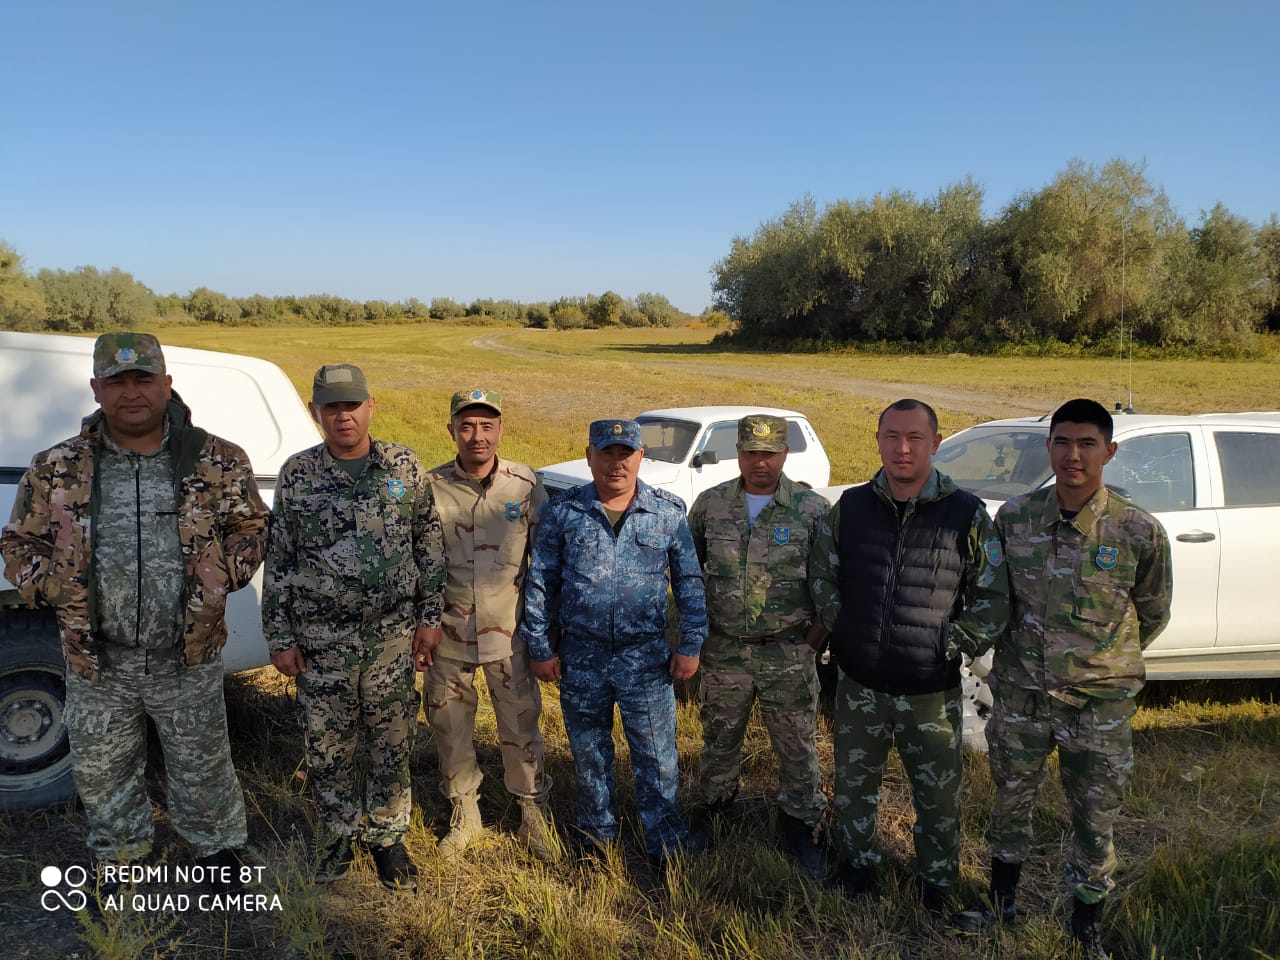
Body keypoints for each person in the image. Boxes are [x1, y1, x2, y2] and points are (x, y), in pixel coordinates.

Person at [0, 333, 267, 883]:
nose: (131, 393)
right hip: (99, 660)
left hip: (185, 655)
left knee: (203, 764)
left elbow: (252, 528)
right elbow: (17, 545)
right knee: (105, 769)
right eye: (116, 382)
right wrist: (58, 589)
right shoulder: (57, 467)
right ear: (97, 389)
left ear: (166, 385)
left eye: (143, 379)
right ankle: (121, 857)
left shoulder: (218, 459)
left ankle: (215, 849)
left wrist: (221, 577)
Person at [965, 398, 1172, 957]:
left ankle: (1086, 921)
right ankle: (1001, 901)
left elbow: (1152, 611)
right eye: (1062, 442)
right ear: (1049, 446)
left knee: (1093, 813)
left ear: (1109, 451)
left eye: (1086, 444)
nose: (1073, 455)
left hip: (1096, 705)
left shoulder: (1136, 530)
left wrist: (1097, 664)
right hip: (1023, 698)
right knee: (1010, 798)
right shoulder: (1015, 518)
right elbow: (994, 597)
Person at [809, 398, 1009, 915]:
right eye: (891, 437)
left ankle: (937, 884)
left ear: (935, 444)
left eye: (914, 438)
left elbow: (993, 597)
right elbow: (822, 575)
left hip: (929, 688)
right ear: (877, 441)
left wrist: (953, 643)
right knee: (854, 788)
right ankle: (856, 866)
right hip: (861, 684)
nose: (902, 448)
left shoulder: (965, 514)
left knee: (938, 800)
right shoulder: (850, 508)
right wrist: (844, 629)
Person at [262, 363, 444, 893]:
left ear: (370, 407)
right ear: (317, 412)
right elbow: (281, 558)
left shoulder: (404, 466)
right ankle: (339, 833)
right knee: (328, 744)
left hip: (390, 637)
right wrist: (280, 635)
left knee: (391, 740)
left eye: (352, 405)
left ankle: (388, 837)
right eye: (331, 407)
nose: (343, 416)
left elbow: (428, 545)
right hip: (320, 640)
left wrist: (430, 620)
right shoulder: (298, 474)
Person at [517, 418, 707, 865]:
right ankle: (595, 839)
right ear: (589, 456)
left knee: (657, 755)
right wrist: (541, 647)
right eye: (606, 453)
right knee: (588, 754)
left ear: (641, 457)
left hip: (646, 658)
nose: (616, 464)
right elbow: (540, 582)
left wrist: (691, 642)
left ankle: (665, 840)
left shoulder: (666, 511)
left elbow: (689, 581)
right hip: (582, 656)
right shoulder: (564, 512)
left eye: (626, 454)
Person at [687, 414, 830, 874]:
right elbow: (689, 573)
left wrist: (815, 638)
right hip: (725, 649)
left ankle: (801, 823)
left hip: (788, 651)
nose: (760, 462)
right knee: (719, 737)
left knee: (795, 744)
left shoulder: (810, 509)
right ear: (738, 454)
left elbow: (833, 579)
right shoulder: (711, 505)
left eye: (769, 453)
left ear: (785, 453)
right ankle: (714, 809)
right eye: (751, 452)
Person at [421, 388, 555, 863]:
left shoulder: (523, 484)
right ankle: (466, 813)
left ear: (500, 428)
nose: (477, 436)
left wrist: (542, 630)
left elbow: (545, 559)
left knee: (520, 724)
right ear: (452, 429)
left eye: (486, 425)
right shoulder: (429, 485)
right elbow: (419, 561)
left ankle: (531, 810)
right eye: (467, 426)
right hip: (447, 633)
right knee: (450, 724)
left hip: (509, 633)